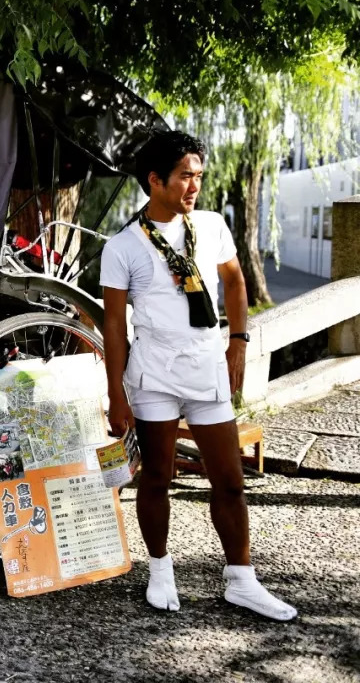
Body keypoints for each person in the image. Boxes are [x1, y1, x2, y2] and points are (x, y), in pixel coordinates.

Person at [100, 130, 296, 621]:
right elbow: (115, 327)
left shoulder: (209, 226)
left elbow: (234, 280)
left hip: (206, 366)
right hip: (154, 374)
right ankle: (160, 569)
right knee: (158, 476)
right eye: (186, 176)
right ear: (155, 180)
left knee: (229, 480)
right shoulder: (122, 246)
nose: (195, 186)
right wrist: (116, 397)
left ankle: (242, 579)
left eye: (199, 176)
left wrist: (239, 341)